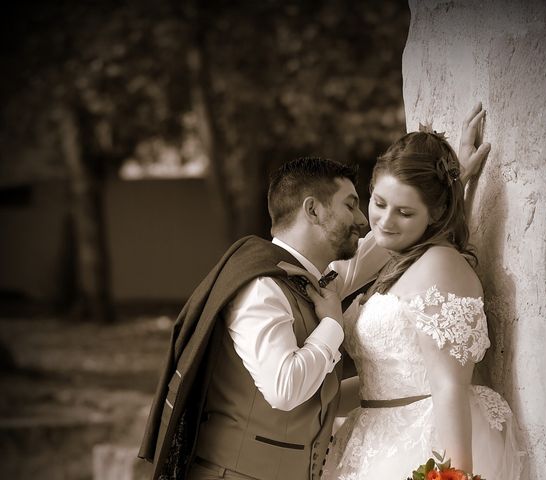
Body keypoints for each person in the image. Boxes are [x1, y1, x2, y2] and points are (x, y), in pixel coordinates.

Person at [138, 104, 489, 480]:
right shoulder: (262, 286)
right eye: (355, 204)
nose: (363, 220)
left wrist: (452, 187)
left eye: (365, 204)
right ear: (314, 211)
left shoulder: (322, 277)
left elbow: (392, 239)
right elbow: (285, 389)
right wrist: (332, 325)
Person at [314, 127, 525, 479]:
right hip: (373, 436)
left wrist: (455, 475)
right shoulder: (396, 257)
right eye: (379, 203)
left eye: (405, 213)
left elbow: (449, 385)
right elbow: (381, 379)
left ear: (436, 211)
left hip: (424, 442)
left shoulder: (440, 266)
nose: (384, 220)